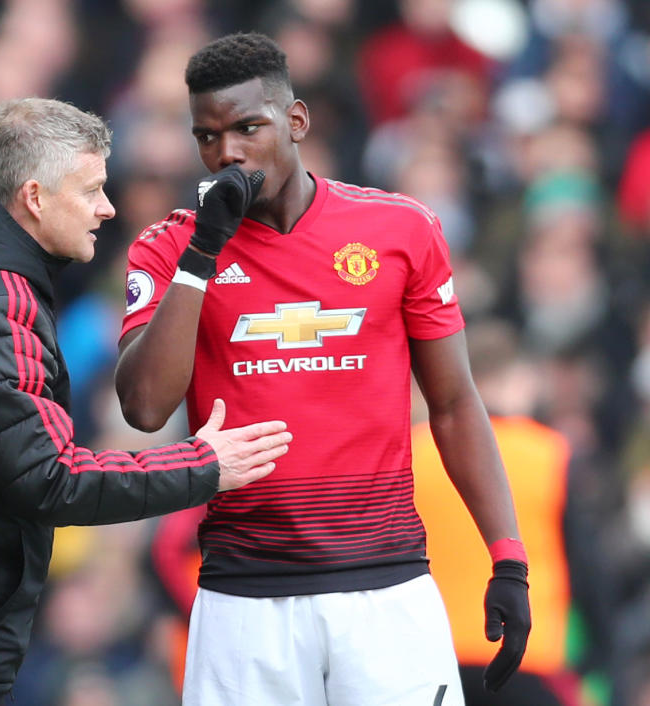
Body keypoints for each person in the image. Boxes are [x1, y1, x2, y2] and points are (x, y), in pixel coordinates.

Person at [0, 97, 293, 705]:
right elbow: (51, 477)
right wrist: (204, 465)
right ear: (35, 198)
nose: (107, 208)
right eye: (91, 190)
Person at [116, 32, 530, 706]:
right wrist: (203, 255)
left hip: (386, 592)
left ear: (296, 121)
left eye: (248, 127)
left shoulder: (401, 230)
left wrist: (507, 557)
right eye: (208, 137)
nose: (229, 153)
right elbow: (144, 407)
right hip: (243, 599)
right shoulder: (168, 247)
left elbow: (454, 403)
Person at [413, 320, 609, 706]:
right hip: (527, 659)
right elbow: (586, 567)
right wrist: (601, 653)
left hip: (433, 661)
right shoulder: (551, 453)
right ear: (516, 377)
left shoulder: (414, 452)